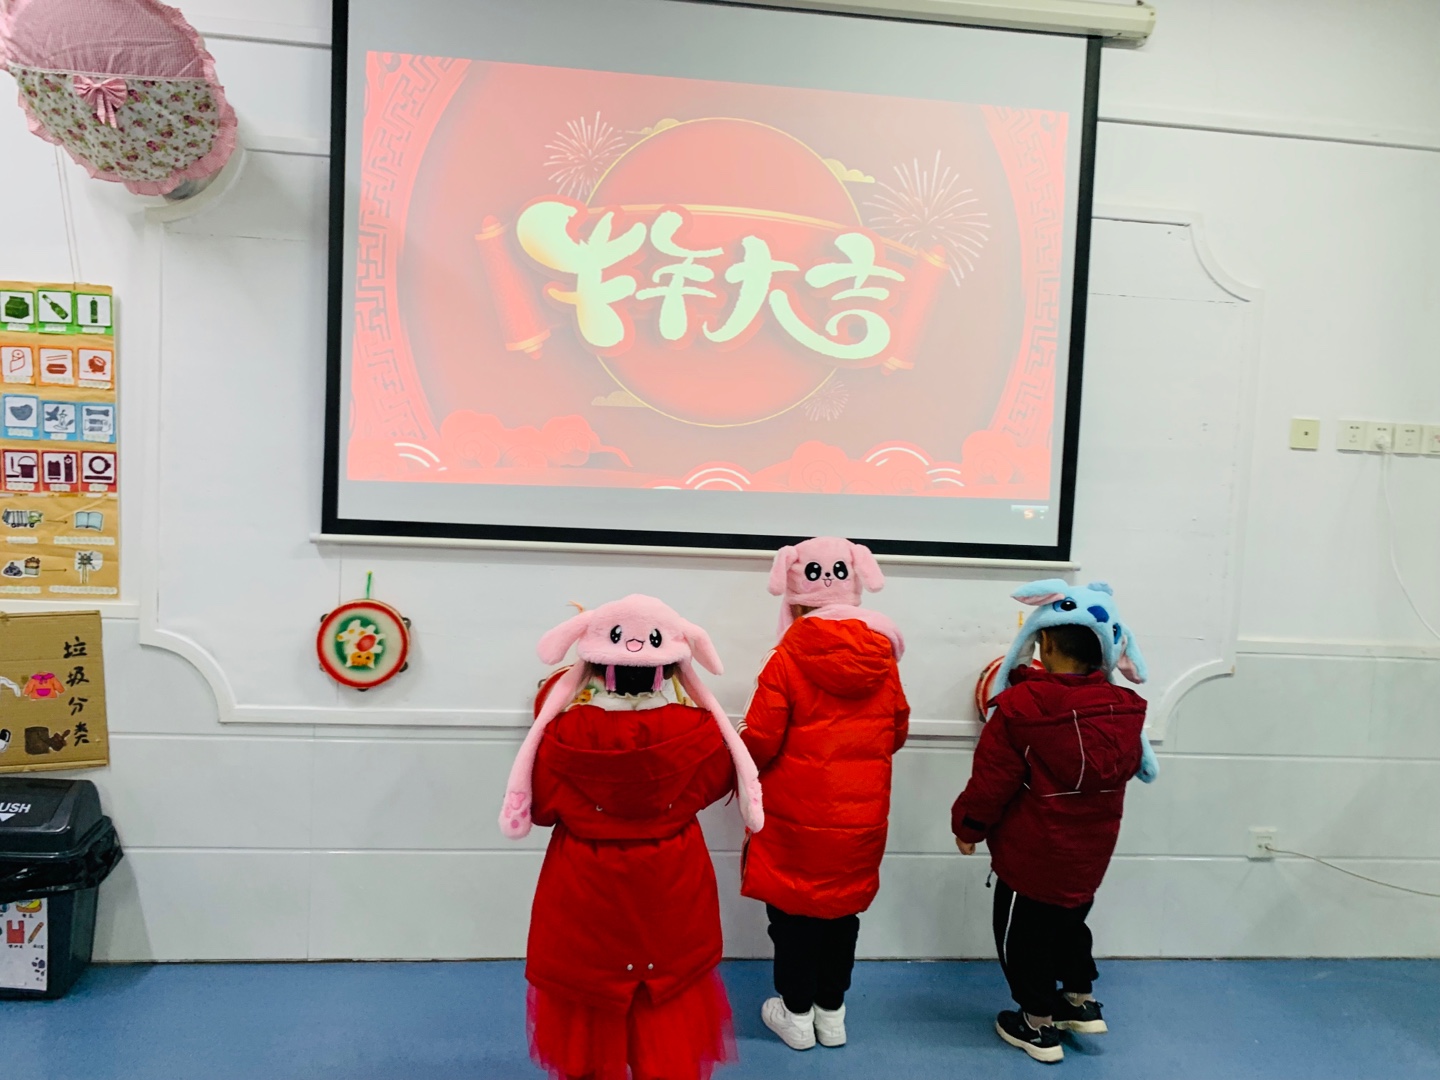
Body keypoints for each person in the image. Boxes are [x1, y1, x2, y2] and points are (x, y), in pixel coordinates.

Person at [498, 595, 764, 1080]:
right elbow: (715, 784)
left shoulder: (560, 730)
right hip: (672, 880)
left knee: (591, 1003)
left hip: (586, 882)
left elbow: (542, 807)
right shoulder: (701, 729)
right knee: (667, 1002)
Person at [951, 580, 1152, 1064]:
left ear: (1042, 642)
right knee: (1069, 923)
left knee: (1021, 939)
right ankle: (1079, 999)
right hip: (1090, 855)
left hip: (1032, 856)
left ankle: (1037, 1023)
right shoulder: (1123, 708)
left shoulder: (1020, 708)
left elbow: (992, 782)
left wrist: (969, 826)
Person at [740, 537, 909, 1051]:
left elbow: (761, 739)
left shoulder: (786, 658)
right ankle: (831, 1013)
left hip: (796, 816)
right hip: (861, 816)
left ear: (794, 601)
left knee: (793, 915)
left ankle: (795, 1014)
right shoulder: (882, 658)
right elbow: (897, 731)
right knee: (841, 914)